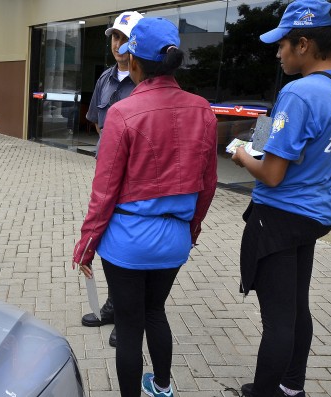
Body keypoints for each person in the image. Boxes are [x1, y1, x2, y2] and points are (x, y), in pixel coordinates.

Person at [72, 17, 217, 397]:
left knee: (131, 324)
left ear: (133, 61)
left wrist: (87, 243)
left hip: (127, 242)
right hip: (174, 240)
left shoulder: (123, 113)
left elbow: (103, 192)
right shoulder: (203, 109)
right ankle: (163, 386)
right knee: (156, 312)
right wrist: (192, 228)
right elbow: (208, 184)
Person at [231, 0, 331, 396]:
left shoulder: (298, 93)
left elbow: (273, 175)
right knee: (297, 306)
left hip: (280, 216)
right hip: (317, 213)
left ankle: (265, 392)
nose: (277, 53)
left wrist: (243, 155)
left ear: (303, 44)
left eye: (282, 44)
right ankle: (292, 386)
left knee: (279, 320)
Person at [81, 10, 143, 348]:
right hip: (108, 176)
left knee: (130, 248)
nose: (118, 44)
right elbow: (97, 122)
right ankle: (113, 304)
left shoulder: (145, 82)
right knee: (106, 241)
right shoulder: (105, 79)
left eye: (125, 37)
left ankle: (129, 316)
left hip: (137, 181)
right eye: (115, 37)